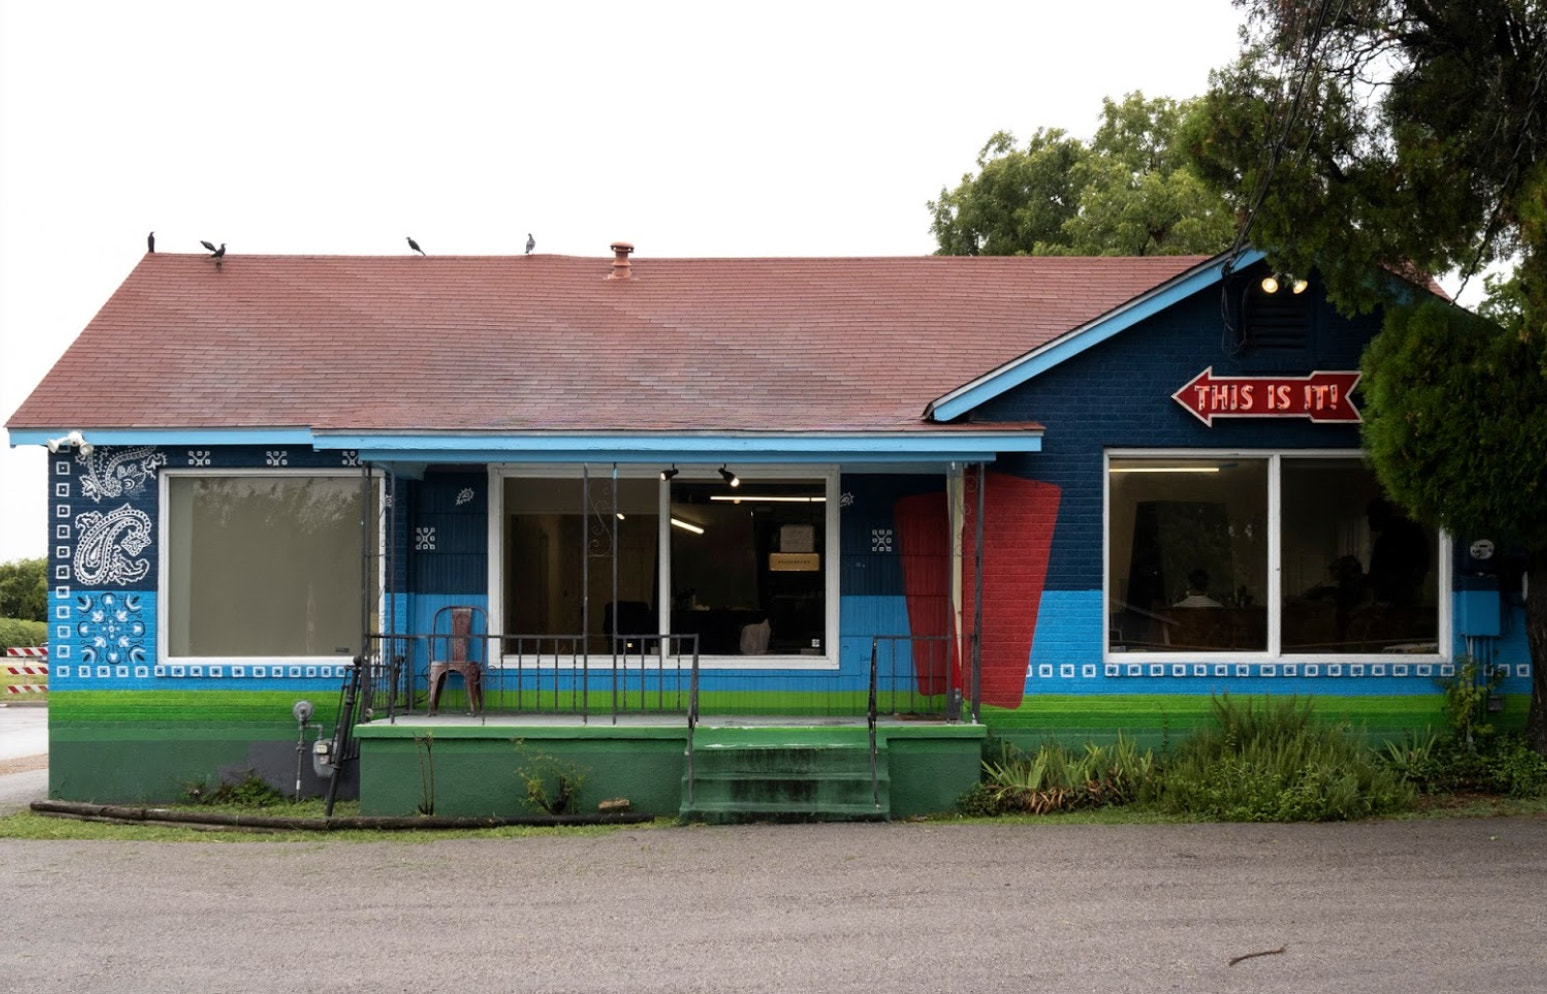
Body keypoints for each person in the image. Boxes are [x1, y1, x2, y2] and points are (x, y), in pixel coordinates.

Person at [1367, 499, 1429, 607]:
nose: (1369, 521)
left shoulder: (1402, 534)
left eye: (1371, 516)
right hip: (1394, 597)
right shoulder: (1384, 539)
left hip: (1400, 598)